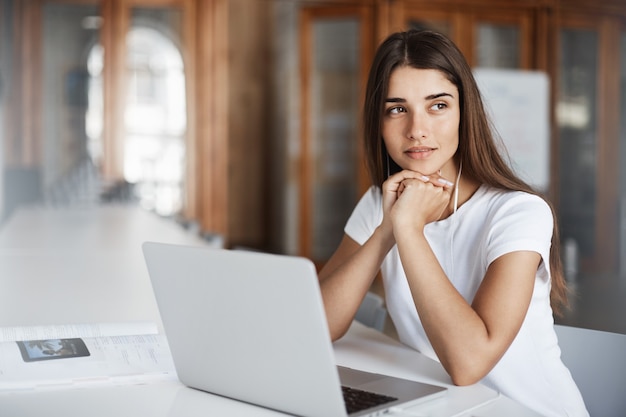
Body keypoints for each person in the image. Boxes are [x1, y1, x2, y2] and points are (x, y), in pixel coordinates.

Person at [318, 29, 588, 417]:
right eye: (397, 108)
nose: (417, 129)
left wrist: (409, 229)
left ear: (465, 111)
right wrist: (389, 228)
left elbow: (469, 364)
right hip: (447, 408)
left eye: (438, 105)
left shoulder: (519, 212)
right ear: (378, 121)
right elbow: (320, 326)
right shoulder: (382, 202)